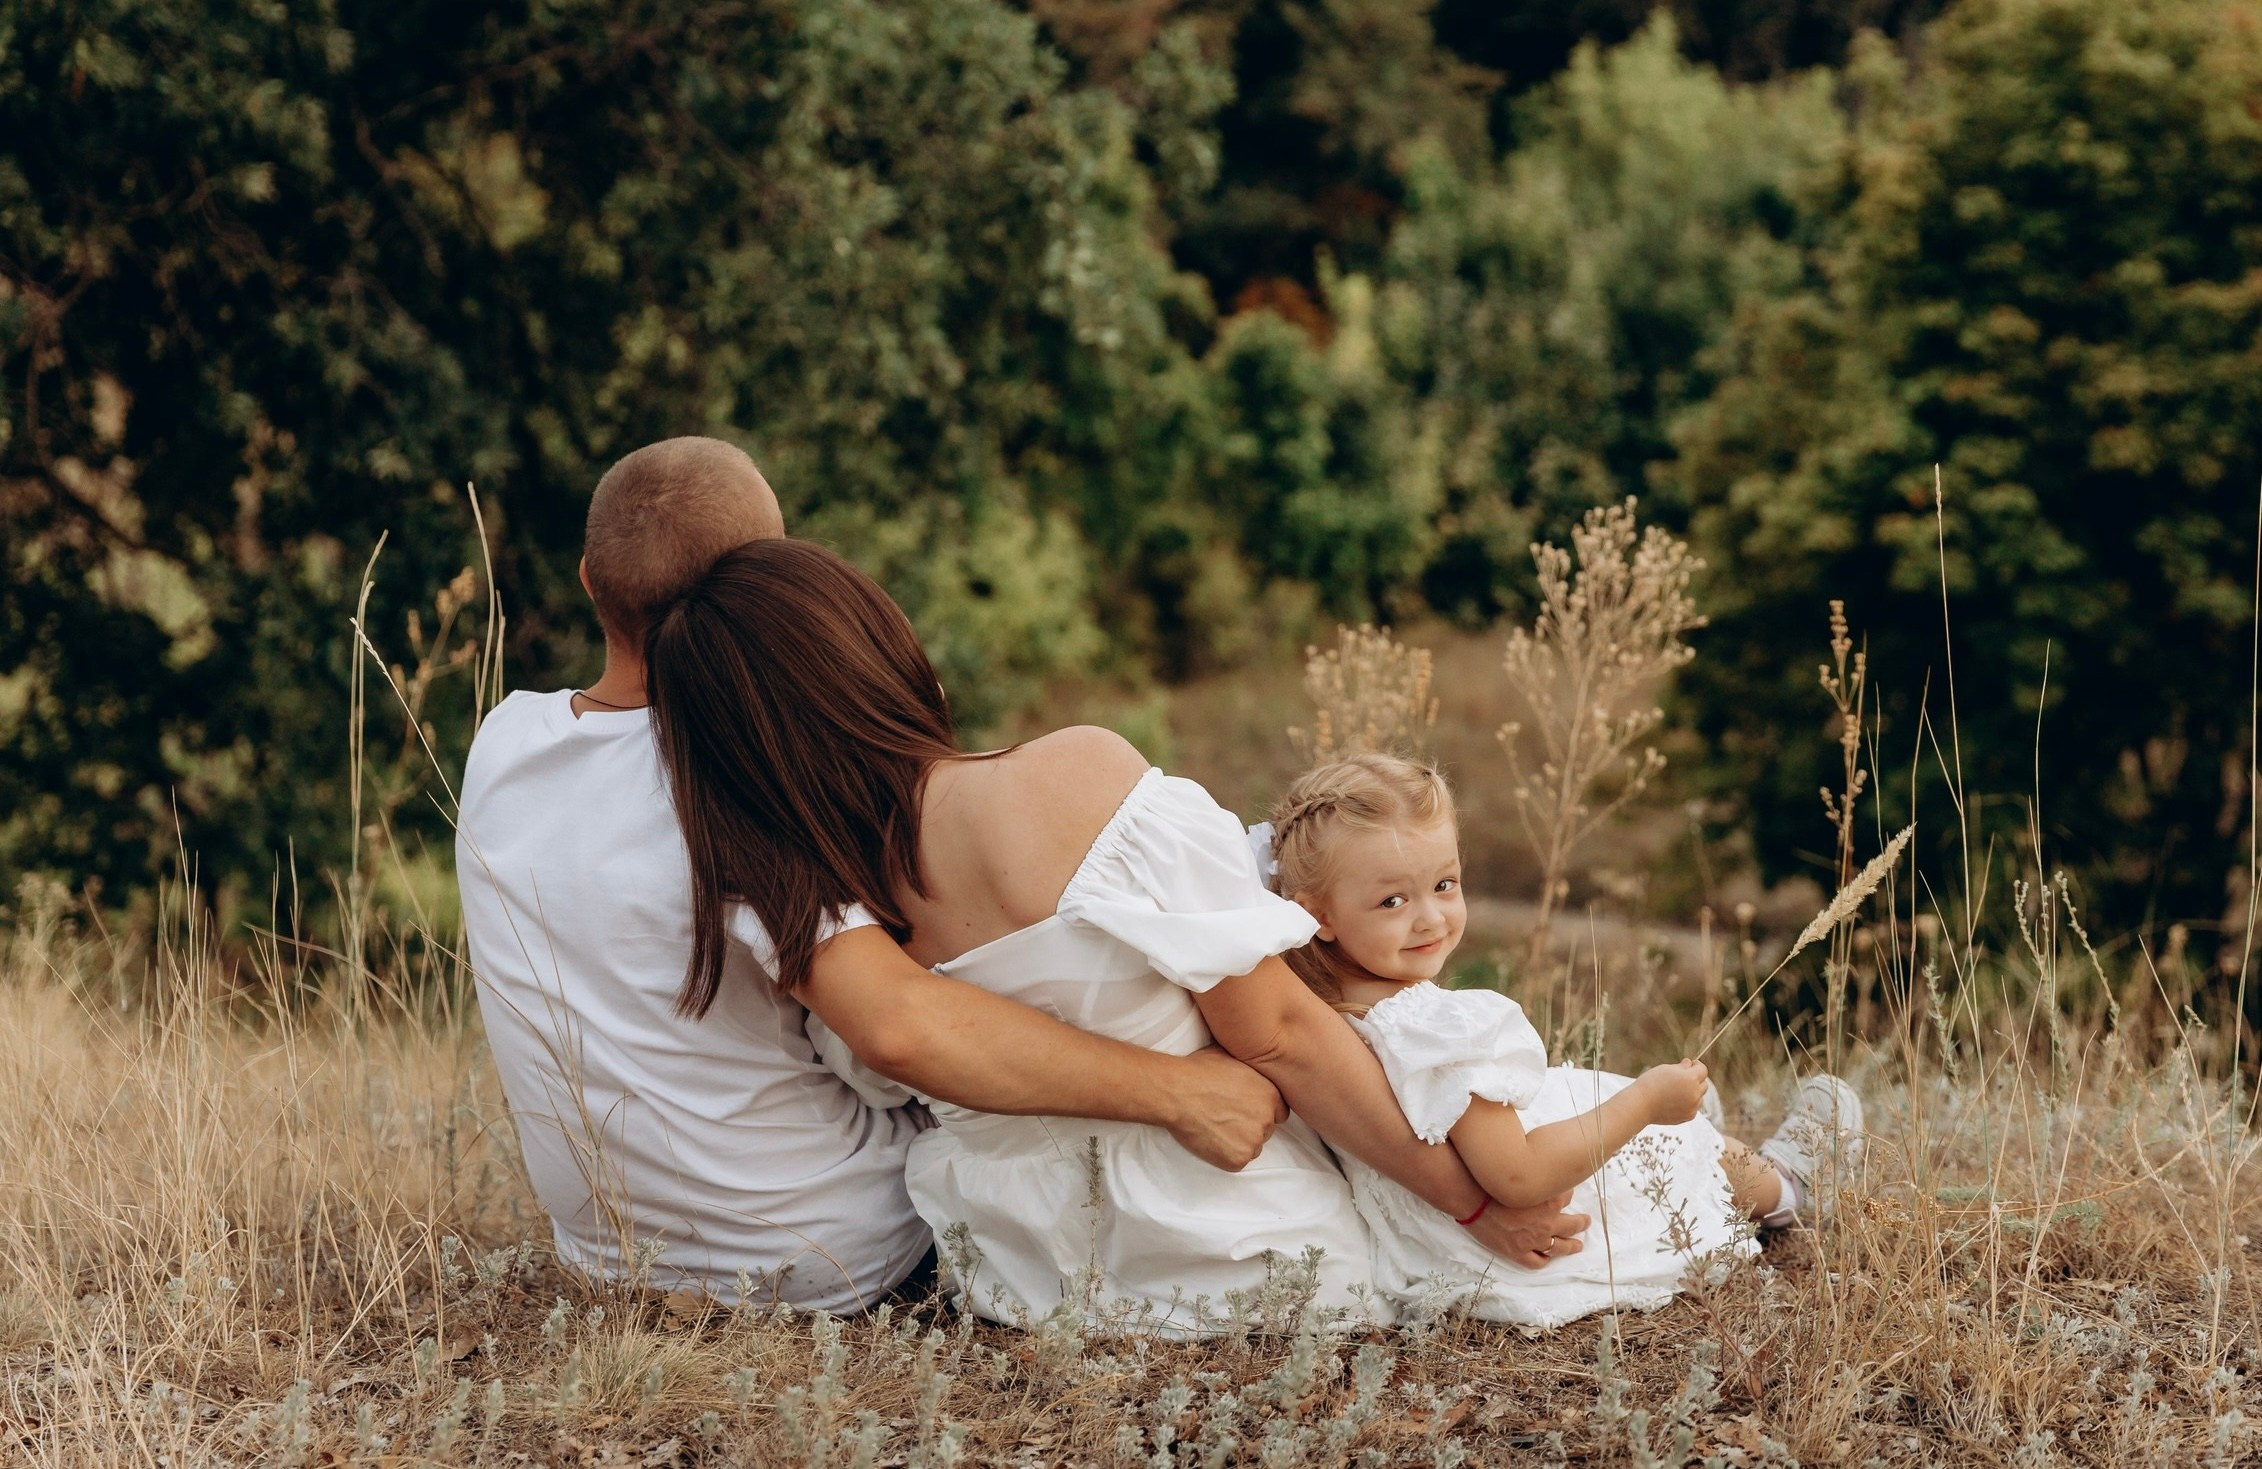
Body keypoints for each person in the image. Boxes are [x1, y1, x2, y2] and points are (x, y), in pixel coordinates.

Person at [641, 537, 1592, 1333]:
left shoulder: (809, 914)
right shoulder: (1066, 776)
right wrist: (1468, 1202)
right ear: (877, 651)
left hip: (1029, 1277)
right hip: (1242, 1238)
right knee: (1600, 1141)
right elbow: (1279, 1035)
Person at [456, 437, 1296, 1313]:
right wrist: (1179, 1094)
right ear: (764, 586)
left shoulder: (503, 744)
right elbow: (900, 1025)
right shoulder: (732, 783)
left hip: (610, 1255)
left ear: (591, 581)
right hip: (828, 1256)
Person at [1254, 752, 1865, 1328]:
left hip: (1430, 1252)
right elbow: (1518, 1178)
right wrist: (1648, 1102)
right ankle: (1789, 1185)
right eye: (1393, 900)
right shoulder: (1439, 1030)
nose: (1432, 918)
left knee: (1597, 1098)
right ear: (1319, 914)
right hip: (1532, 1235)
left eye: (1445, 884)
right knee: (1676, 1146)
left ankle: (1691, 1120)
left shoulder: (1314, 1012)